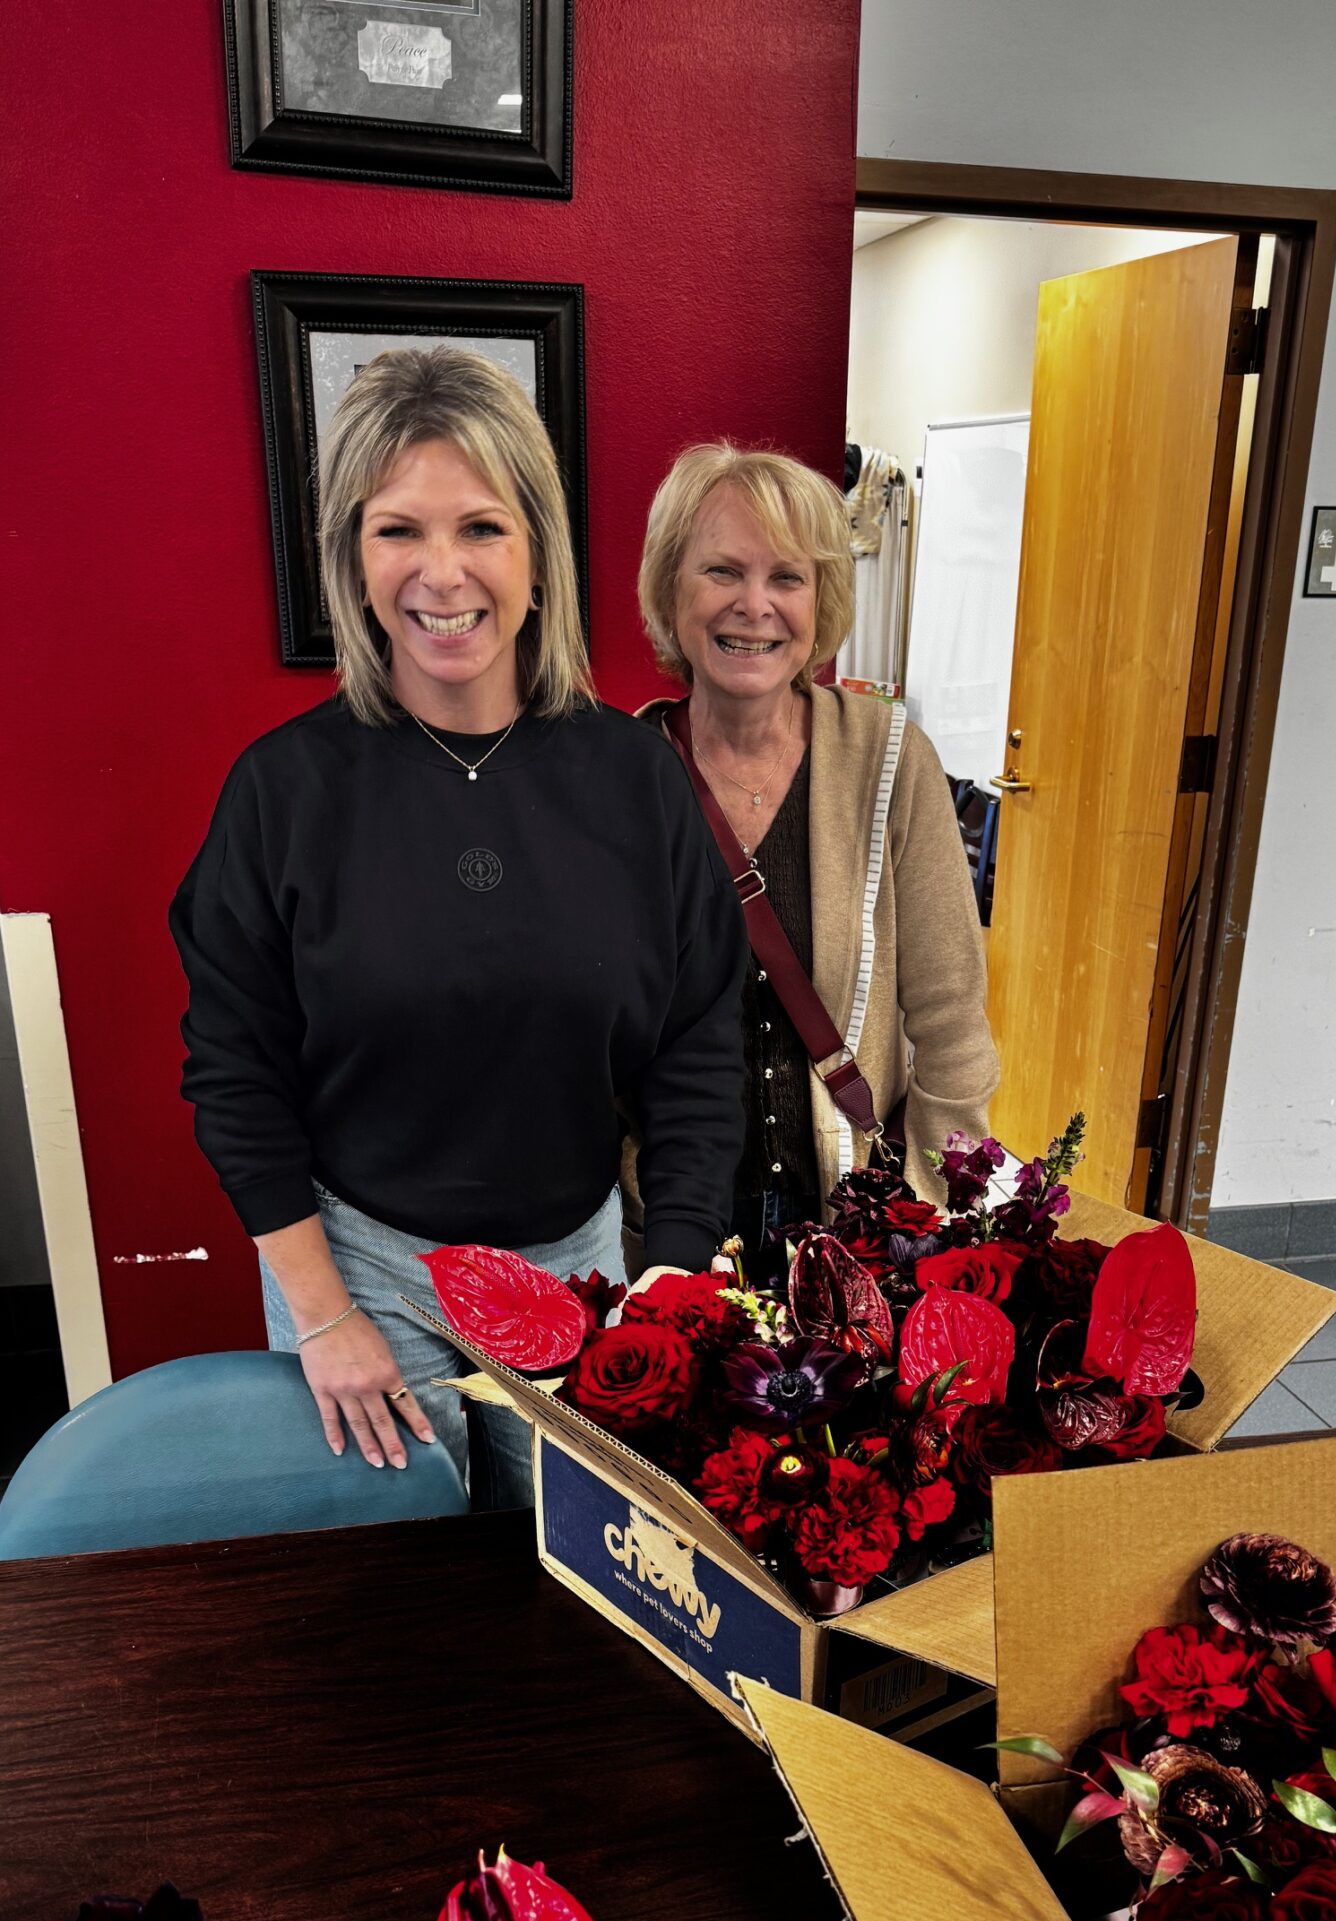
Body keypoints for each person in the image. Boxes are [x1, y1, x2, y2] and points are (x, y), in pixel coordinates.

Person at [171, 348, 745, 1505]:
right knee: (400, 1613)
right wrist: (324, 1315)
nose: (442, 574)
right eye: (397, 532)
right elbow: (236, 1073)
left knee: (584, 1600)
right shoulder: (284, 793)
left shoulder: (637, 779)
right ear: (352, 558)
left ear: (538, 553)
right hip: (362, 1273)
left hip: (584, 1274)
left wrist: (672, 1273)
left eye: (481, 527)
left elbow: (699, 1043)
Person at [636, 444, 997, 1264]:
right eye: (721, 571)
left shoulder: (888, 757)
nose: (754, 605)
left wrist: (935, 1206)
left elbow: (951, 1017)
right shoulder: (621, 772)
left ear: (823, 597)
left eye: (787, 578)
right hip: (670, 1226)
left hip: (859, 1221)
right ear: (670, 589)